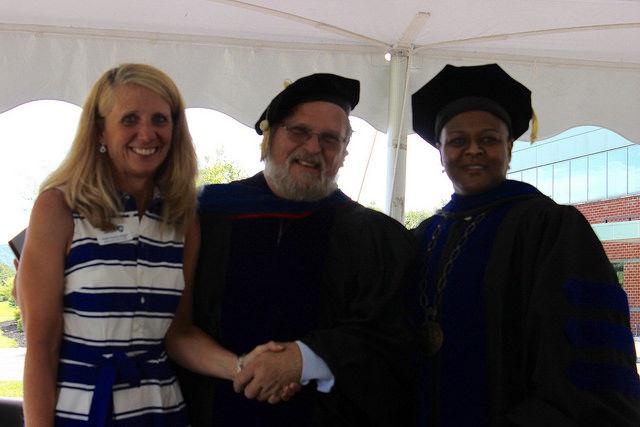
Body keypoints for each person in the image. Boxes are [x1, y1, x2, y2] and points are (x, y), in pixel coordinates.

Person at [177, 73, 417, 426]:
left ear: (344, 153)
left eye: (330, 139)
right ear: (269, 136)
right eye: (299, 131)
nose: (313, 148)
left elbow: (392, 340)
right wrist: (245, 370)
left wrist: (306, 359)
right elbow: (171, 324)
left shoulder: (373, 237)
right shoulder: (207, 215)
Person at [410, 63, 640, 426]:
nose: (473, 150)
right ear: (440, 152)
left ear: (509, 148)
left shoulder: (551, 228)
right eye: (457, 140)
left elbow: (586, 365)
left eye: (488, 139)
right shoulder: (422, 237)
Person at [18, 63, 200, 426]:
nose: (146, 134)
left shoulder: (184, 218)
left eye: (160, 120)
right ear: (100, 130)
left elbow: (179, 335)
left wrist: (244, 367)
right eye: (130, 119)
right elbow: (41, 347)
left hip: (161, 411)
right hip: (83, 411)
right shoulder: (58, 207)